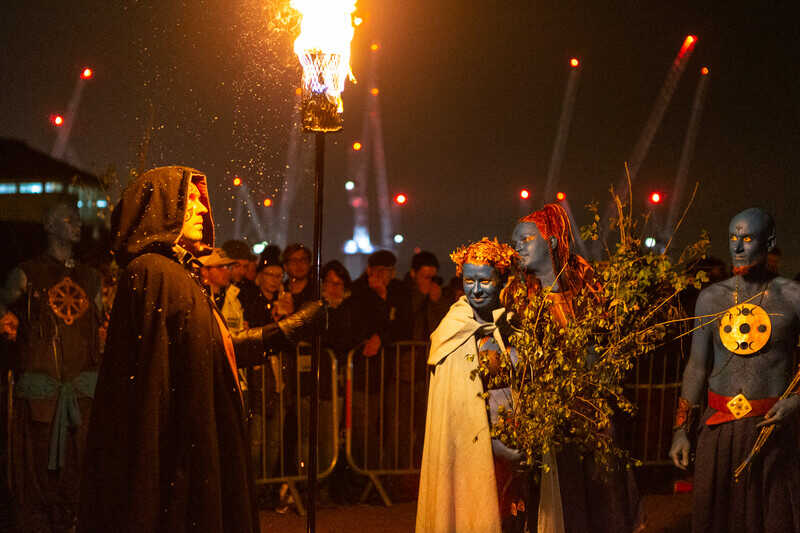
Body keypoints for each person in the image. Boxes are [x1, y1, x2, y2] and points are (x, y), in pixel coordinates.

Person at [77, 166, 320, 533]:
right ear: (161, 207)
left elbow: (214, 349)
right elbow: (153, 386)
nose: (203, 210)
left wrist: (286, 330)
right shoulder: (151, 273)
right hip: (178, 443)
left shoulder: (179, 275)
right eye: (190, 200)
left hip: (194, 434)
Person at [509, 203, 642, 533]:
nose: (517, 247)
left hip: (590, 407)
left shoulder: (587, 286)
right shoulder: (516, 294)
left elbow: (607, 343)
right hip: (542, 414)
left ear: (552, 241)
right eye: (515, 241)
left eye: (526, 239)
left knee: (601, 489)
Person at [669, 208, 800, 533]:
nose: (737, 247)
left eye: (747, 239)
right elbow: (697, 367)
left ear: (768, 241)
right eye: (732, 238)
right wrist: (681, 429)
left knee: (774, 519)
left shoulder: (794, 298)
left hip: (772, 429)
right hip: (718, 428)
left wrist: (795, 402)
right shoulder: (711, 298)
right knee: (716, 520)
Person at [0, 202, 103, 533]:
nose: (77, 224)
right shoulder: (27, 274)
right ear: (49, 224)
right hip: (42, 404)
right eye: (68, 219)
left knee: (79, 481)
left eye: (78, 218)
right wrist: (7, 318)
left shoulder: (91, 278)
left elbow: (100, 329)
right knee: (39, 483)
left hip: (82, 401)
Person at [416, 237, 518, 533]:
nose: (475, 289)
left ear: (500, 279)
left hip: (511, 436)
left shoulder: (511, 322)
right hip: (468, 445)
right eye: (469, 280)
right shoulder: (453, 329)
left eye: (484, 280)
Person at [199, 248, 246, 332]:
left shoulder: (233, 299)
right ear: (204, 271)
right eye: (221, 267)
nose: (228, 271)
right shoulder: (196, 298)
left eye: (229, 267)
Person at [283, 243, 314, 310]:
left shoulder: (317, 292)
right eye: (294, 261)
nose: (299, 264)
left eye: (303, 260)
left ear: (309, 264)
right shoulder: (279, 291)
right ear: (285, 266)